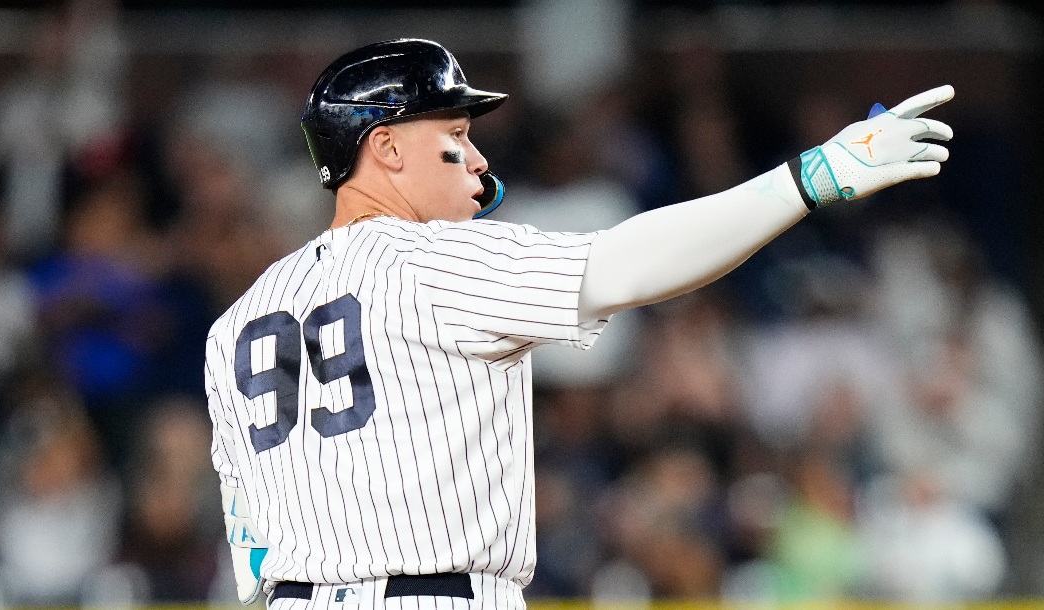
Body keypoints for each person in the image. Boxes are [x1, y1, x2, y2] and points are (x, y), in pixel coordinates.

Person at [204, 38, 953, 609]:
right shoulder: (434, 260)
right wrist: (808, 180)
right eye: (456, 135)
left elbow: (252, 548)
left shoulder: (235, 323)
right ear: (386, 146)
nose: (476, 157)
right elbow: (627, 266)